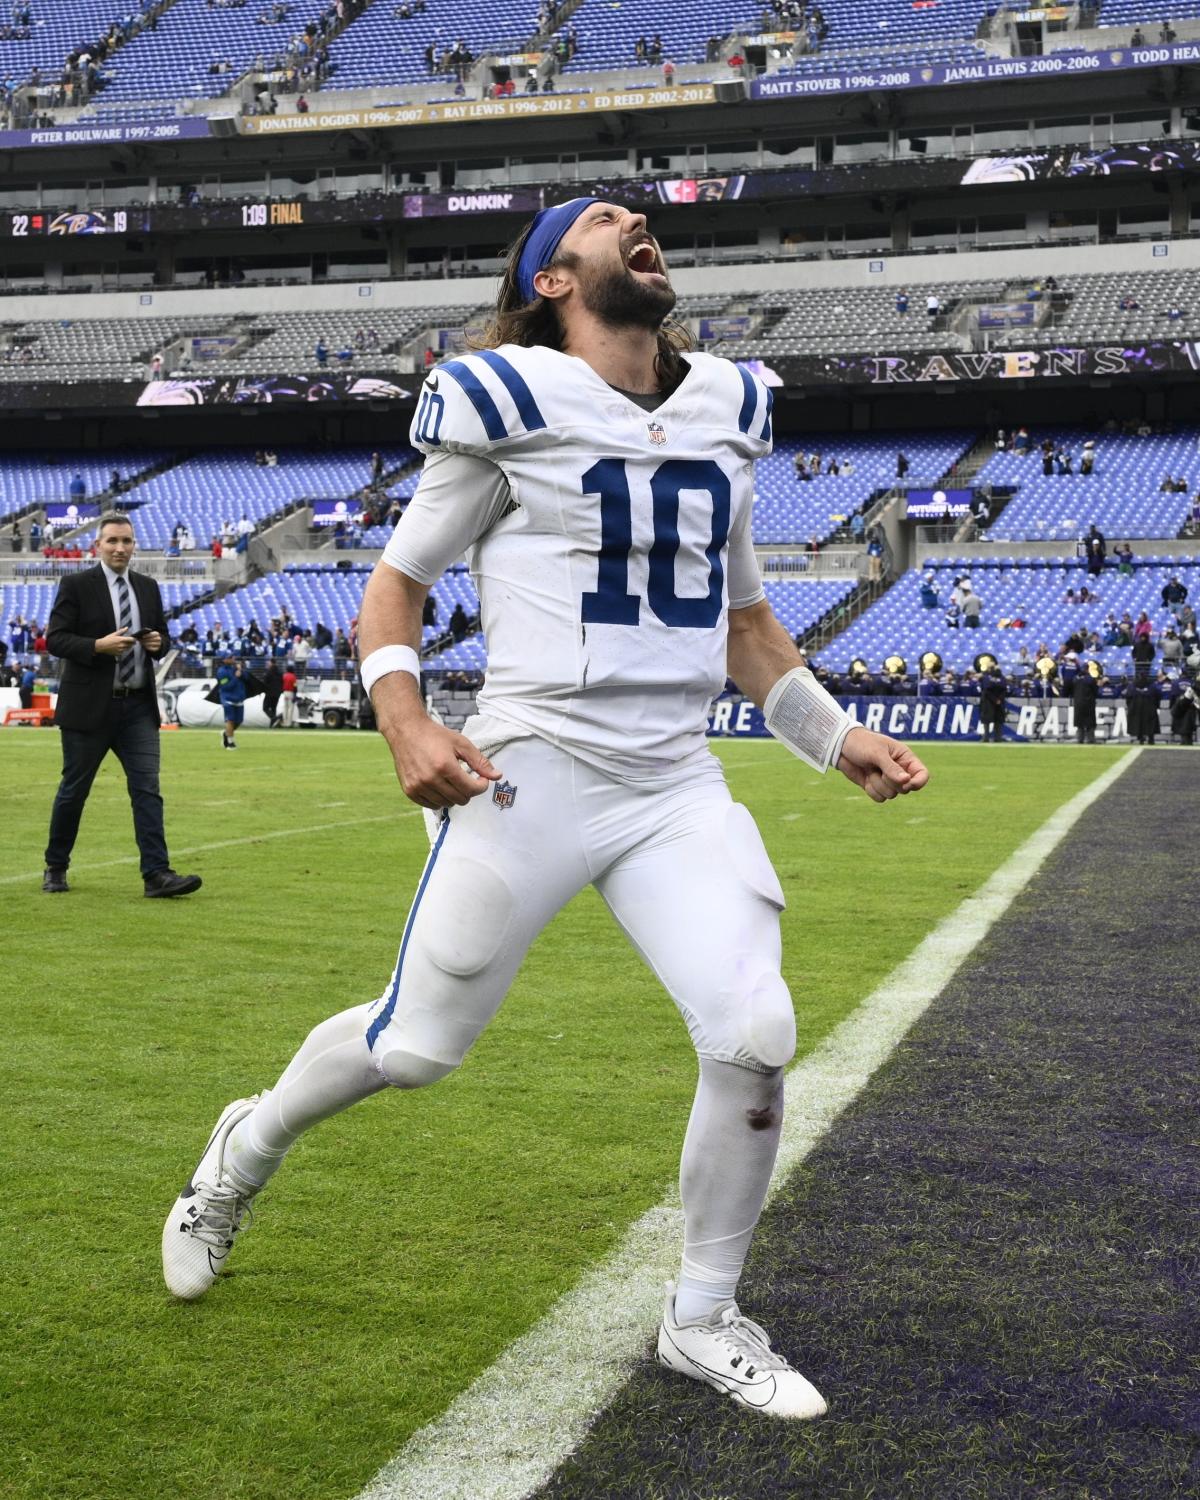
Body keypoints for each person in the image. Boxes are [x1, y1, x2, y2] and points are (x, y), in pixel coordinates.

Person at [159, 195, 930, 1420]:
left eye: (641, 214)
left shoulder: (725, 408)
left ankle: (703, 1315)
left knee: (753, 1033)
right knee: (415, 1046)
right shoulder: (505, 397)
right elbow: (395, 588)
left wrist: (839, 742)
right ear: (555, 279)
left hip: (673, 777)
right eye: (607, 219)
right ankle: (241, 1150)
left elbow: (744, 628)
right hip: (536, 764)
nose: (639, 223)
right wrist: (405, 721)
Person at [41, 513, 201, 898]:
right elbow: (56, 640)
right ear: (98, 545)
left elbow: (162, 637)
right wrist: (97, 646)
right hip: (88, 708)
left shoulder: (147, 587)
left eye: (126, 541)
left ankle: (156, 874)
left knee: (147, 789)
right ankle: (56, 865)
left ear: (134, 545)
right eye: (112, 541)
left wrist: (157, 644)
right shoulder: (76, 584)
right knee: (73, 790)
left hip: (137, 708)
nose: (120, 548)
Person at [215, 652, 247, 749]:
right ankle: (230, 742)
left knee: (239, 721)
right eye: (230, 657)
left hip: (239, 698)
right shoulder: (221, 672)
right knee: (230, 720)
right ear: (224, 660)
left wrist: (241, 671)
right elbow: (225, 686)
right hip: (228, 698)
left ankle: (226, 733)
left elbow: (247, 678)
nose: (233, 658)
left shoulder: (236, 668)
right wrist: (235, 677)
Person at [978, 663, 1006, 742]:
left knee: (986, 719)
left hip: (988, 701)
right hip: (999, 701)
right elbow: (1004, 690)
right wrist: (999, 699)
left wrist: (994, 699)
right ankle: (998, 738)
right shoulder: (1002, 678)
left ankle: (986, 737)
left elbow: (986, 690)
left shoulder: (987, 677)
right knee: (998, 720)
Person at [262, 660, 283, 726]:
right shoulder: (280, 673)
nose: (268, 664)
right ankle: (272, 724)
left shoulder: (268, 672)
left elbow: (265, 682)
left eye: (269, 663)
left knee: (265, 707)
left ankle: (274, 718)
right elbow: (282, 682)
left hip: (269, 692)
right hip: (277, 693)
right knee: (274, 708)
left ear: (271, 663)